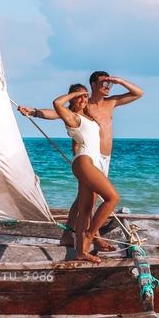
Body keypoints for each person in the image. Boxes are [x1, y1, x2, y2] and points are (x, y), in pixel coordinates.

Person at [19, 69, 145, 254]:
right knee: (92, 202)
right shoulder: (83, 107)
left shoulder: (111, 102)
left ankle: (69, 236)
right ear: (93, 85)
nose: (108, 86)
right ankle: (95, 238)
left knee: (83, 202)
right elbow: (56, 113)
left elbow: (138, 93)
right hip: (89, 158)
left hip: (104, 158)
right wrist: (35, 111)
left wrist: (119, 80)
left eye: (109, 83)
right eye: (104, 82)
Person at [46, 86, 119, 261]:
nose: (83, 99)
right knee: (112, 198)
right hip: (84, 161)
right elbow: (56, 104)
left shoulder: (87, 117)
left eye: (85, 96)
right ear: (73, 99)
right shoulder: (73, 118)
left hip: (91, 162)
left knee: (84, 209)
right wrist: (75, 94)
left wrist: (83, 96)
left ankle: (81, 252)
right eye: (80, 97)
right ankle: (90, 235)